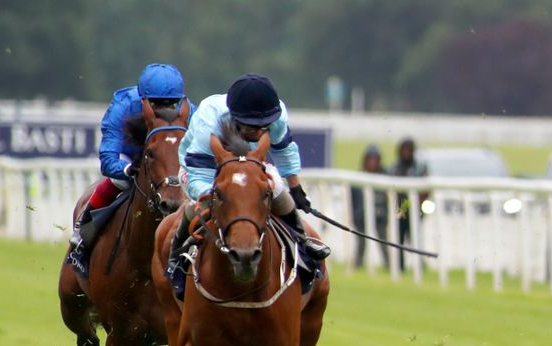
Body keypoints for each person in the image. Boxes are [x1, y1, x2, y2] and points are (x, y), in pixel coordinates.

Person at [166, 73, 329, 278]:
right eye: (252, 126)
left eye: (264, 126)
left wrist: (295, 188)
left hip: (251, 163)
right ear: (235, 117)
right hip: (202, 168)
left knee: (277, 188)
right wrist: (223, 194)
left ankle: (303, 242)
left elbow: (284, 150)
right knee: (207, 203)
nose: (259, 132)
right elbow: (198, 174)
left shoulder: (276, 116)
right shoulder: (210, 121)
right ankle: (176, 255)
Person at [69, 63, 195, 254]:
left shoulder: (189, 112)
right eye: (157, 104)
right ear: (143, 99)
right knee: (119, 181)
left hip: (167, 161)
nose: (165, 110)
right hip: (130, 156)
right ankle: (83, 228)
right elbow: (108, 159)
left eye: (171, 103)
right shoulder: (123, 105)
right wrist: (127, 169)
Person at [386, 137, 428, 271]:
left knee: (415, 239)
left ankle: (419, 266)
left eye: (409, 150)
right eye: (404, 150)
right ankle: (400, 267)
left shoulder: (420, 168)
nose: (406, 153)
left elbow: (426, 188)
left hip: (415, 210)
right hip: (400, 210)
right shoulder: (394, 168)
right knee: (399, 239)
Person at [350, 143, 387, 268]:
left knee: (383, 242)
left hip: (380, 216)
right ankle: (357, 265)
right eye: (369, 159)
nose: (372, 162)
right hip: (362, 216)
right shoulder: (357, 178)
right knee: (361, 243)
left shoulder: (385, 177)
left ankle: (390, 265)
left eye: (374, 159)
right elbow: (353, 201)